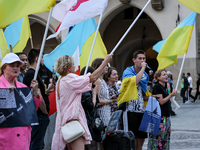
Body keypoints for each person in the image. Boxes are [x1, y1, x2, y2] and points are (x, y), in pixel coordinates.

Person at [51, 54, 112, 150]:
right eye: (73, 64)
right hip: (72, 122)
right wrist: (105, 62)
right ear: (68, 68)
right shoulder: (69, 78)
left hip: (66, 122)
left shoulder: (60, 80)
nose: (75, 66)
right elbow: (91, 78)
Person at [0, 53, 41, 150]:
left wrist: (35, 93)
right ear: (3, 68)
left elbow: (31, 110)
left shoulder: (23, 87)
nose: (16, 68)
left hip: (23, 136)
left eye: (17, 66)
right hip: (5, 138)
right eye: (12, 65)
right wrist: (5, 94)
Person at [23, 49, 55, 150]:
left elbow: (39, 92)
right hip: (39, 116)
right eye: (42, 58)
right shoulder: (32, 74)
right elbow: (37, 95)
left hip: (38, 116)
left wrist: (47, 92)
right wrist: (45, 113)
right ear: (37, 59)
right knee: (36, 145)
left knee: (39, 144)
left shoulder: (34, 73)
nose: (43, 60)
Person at [120, 50, 151, 150]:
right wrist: (143, 68)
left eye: (144, 58)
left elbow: (141, 93)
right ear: (134, 60)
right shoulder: (128, 71)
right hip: (130, 110)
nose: (142, 60)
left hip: (141, 109)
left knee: (141, 137)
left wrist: (151, 97)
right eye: (140, 58)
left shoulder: (145, 75)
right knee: (132, 137)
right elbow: (135, 81)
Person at [148, 69, 177, 150]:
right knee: (159, 138)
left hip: (166, 116)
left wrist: (169, 90)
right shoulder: (157, 86)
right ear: (158, 77)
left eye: (166, 74)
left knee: (165, 138)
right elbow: (162, 101)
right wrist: (171, 94)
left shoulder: (163, 86)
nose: (166, 76)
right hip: (160, 117)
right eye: (164, 75)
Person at [80, 66, 102, 150]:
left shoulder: (90, 86)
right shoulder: (85, 89)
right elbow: (90, 105)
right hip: (87, 119)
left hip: (91, 118)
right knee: (90, 145)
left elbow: (97, 102)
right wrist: (94, 93)